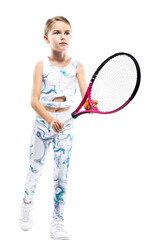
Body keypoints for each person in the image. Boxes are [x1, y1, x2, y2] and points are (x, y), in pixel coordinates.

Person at [19, 16, 88, 240]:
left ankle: (58, 222)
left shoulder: (78, 67)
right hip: (43, 123)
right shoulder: (41, 66)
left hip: (66, 126)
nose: (62, 36)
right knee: (35, 168)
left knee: (61, 175)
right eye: (57, 32)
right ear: (46, 37)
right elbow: (34, 101)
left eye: (67, 32)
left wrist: (92, 103)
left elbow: (86, 100)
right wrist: (50, 120)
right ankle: (26, 206)